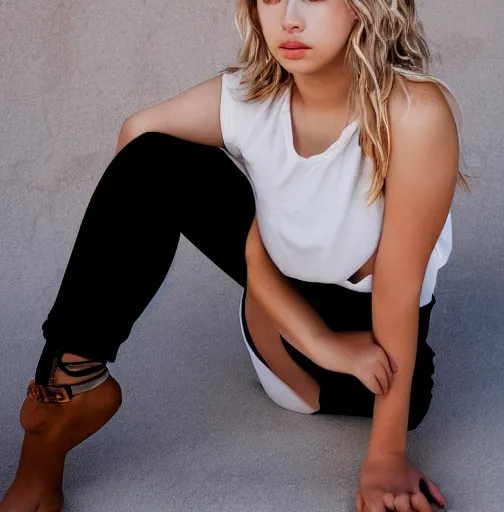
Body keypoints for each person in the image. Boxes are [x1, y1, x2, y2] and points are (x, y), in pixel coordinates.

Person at [0, 0, 471, 511]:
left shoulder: (414, 114)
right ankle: (65, 394)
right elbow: (136, 143)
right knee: (151, 159)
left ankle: (61, 400)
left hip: (367, 373)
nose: (289, 18)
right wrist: (318, 340)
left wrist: (387, 454)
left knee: (174, 171)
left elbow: (399, 294)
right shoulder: (250, 97)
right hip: (286, 335)